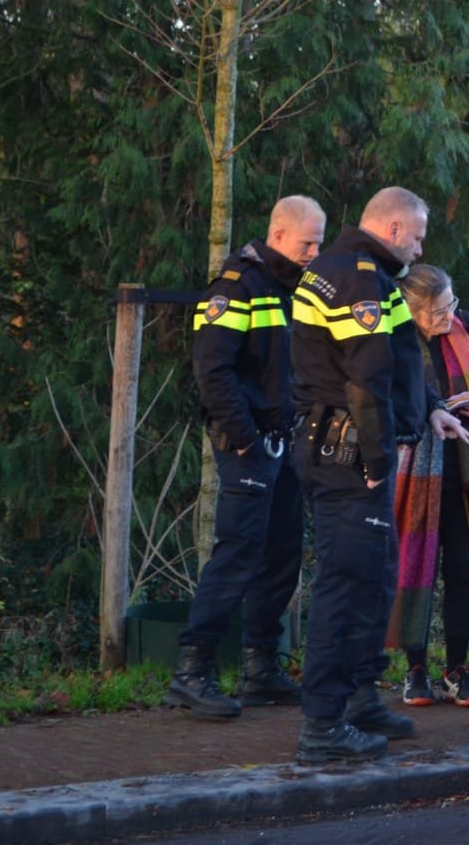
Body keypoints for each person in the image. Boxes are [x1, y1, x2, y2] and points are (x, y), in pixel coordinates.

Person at [289, 187, 468, 763]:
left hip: (341, 449)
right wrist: (375, 463)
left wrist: (430, 410)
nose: (420, 246)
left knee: (376, 577)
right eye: (416, 235)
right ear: (392, 229)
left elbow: (395, 369)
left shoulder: (346, 270)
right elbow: (365, 380)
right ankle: (323, 725)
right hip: (348, 457)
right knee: (348, 586)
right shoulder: (360, 278)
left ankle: (361, 696)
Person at [167, 195, 326, 719]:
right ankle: (192, 671)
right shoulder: (236, 286)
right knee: (238, 553)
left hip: (285, 440)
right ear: (278, 235)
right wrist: (241, 438)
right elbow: (213, 370)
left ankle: (261, 668)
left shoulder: (296, 289)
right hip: (248, 442)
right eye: (308, 242)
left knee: (282, 555)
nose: (315, 252)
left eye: (320, 242)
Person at [387, 264, 469, 709]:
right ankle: (414, 669)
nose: (448, 316)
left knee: (462, 569)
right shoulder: (394, 334)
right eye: (438, 311)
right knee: (413, 567)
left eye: (451, 304)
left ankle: (457, 668)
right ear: (413, 311)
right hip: (415, 470)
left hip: (468, 467)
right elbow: (391, 394)